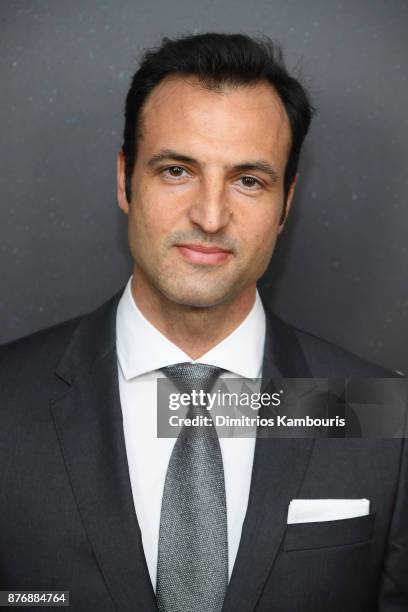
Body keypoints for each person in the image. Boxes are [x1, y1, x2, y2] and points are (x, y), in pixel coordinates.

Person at [0, 33, 406, 612]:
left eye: (248, 180)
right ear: (125, 180)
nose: (210, 216)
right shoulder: (6, 401)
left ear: (286, 202)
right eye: (176, 170)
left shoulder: (375, 410)